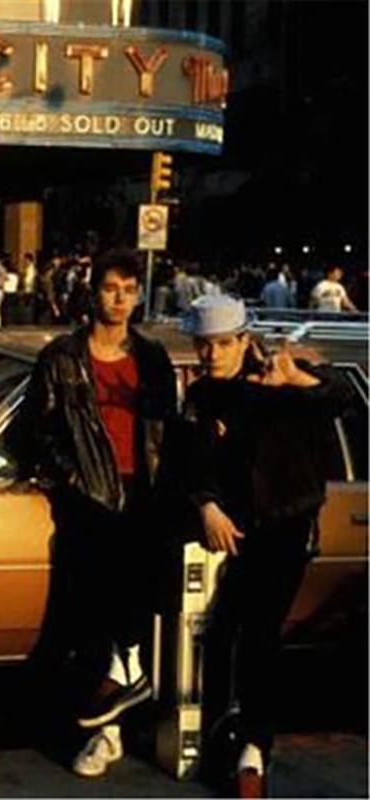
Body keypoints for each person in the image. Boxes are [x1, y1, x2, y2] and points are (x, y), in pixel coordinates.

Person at [10, 248, 179, 780]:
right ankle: (110, 723)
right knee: (85, 614)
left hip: (143, 497)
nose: (121, 299)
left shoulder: (151, 357)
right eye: (111, 288)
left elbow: (166, 430)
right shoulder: (62, 356)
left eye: (129, 290)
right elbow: (34, 429)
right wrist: (69, 477)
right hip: (86, 500)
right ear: (94, 292)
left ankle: (108, 729)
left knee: (120, 608)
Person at [179, 295, 352, 798]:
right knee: (222, 633)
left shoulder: (283, 379)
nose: (211, 355)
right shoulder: (206, 395)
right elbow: (194, 461)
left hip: (286, 524)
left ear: (243, 341)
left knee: (258, 634)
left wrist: (300, 379)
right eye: (203, 346)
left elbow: (337, 397)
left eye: (220, 345)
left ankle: (255, 750)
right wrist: (206, 504)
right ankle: (224, 739)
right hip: (236, 528)